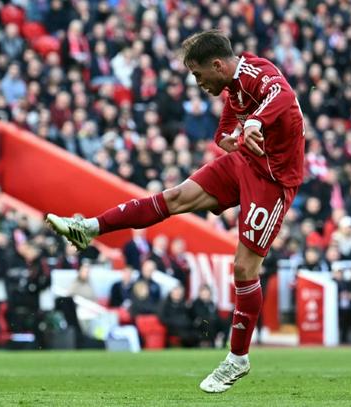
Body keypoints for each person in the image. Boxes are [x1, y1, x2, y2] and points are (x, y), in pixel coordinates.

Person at [46, 30, 305, 393]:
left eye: (198, 74)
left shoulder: (257, 73)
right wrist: (227, 138)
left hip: (273, 180)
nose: (198, 83)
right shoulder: (233, 87)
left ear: (218, 65)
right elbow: (225, 128)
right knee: (175, 197)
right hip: (245, 163)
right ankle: (89, 228)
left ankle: (238, 358)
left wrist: (255, 123)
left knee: (244, 268)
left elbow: (284, 94)